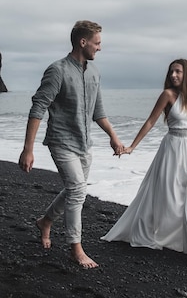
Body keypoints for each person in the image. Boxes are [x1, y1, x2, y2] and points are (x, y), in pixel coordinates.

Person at [101, 58, 187, 267]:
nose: (173, 75)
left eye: (178, 72)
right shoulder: (167, 95)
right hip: (172, 149)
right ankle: (160, 235)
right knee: (168, 195)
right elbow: (150, 121)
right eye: (171, 72)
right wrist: (132, 147)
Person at [19, 20, 124, 269]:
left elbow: (98, 112)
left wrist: (113, 136)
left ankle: (45, 221)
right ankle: (75, 248)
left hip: (85, 143)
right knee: (78, 190)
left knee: (73, 190)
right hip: (61, 141)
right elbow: (38, 108)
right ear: (83, 42)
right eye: (97, 43)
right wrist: (28, 149)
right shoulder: (57, 70)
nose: (100, 48)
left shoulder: (95, 73)